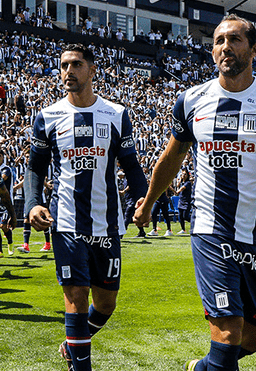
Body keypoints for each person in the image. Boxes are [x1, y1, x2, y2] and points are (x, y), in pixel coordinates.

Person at [133, 14, 256, 371]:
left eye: (234, 40)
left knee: (252, 339)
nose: (225, 47)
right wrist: (149, 202)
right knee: (228, 333)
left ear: (255, 49)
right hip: (211, 230)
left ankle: (202, 368)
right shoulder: (191, 100)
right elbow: (171, 159)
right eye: (218, 41)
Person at [24, 43, 147, 371]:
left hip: (106, 224)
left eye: (76, 65)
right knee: (76, 299)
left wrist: (144, 199)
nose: (68, 71)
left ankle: (72, 343)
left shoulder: (117, 114)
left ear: (92, 70)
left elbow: (131, 165)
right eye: (64, 65)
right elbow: (35, 167)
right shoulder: (47, 117)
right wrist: (33, 203)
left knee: (105, 304)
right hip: (66, 223)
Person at [176, 170, 192, 234]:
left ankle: (194, 222)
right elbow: (178, 185)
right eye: (182, 174)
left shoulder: (188, 183)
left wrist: (177, 192)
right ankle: (183, 229)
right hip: (181, 201)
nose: (183, 175)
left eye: (185, 174)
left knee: (185, 216)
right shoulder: (182, 182)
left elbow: (182, 188)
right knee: (180, 216)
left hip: (186, 202)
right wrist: (180, 180)